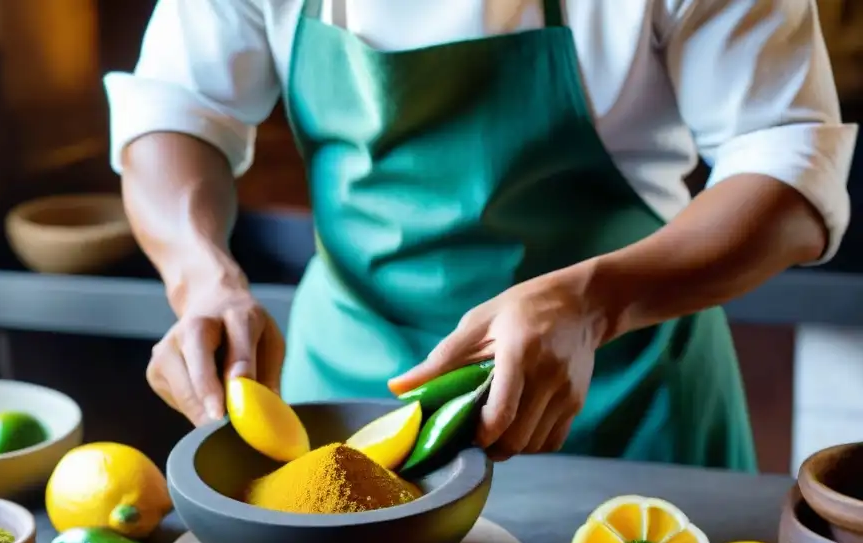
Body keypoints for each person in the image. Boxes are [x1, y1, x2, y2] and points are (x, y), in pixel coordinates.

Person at [105, 0, 856, 471]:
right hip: (343, 397)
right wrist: (202, 279)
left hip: (623, 400)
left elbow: (788, 165)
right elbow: (174, 108)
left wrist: (593, 305)